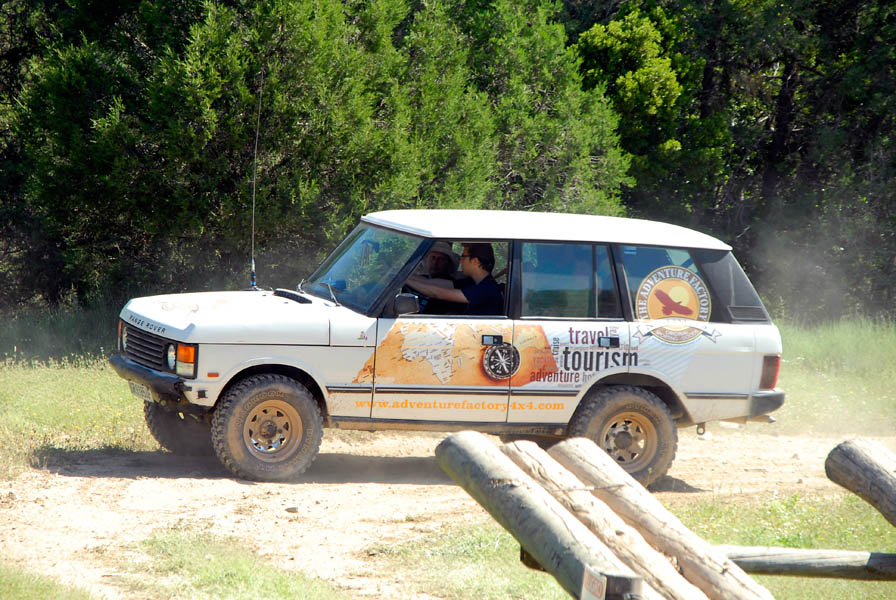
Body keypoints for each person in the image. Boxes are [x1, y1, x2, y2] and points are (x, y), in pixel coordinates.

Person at [406, 243, 503, 315]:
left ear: (475, 261)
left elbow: (438, 293)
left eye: (463, 257)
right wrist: (405, 277)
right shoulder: (472, 282)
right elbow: (434, 283)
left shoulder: (487, 289)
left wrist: (405, 280)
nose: (460, 261)